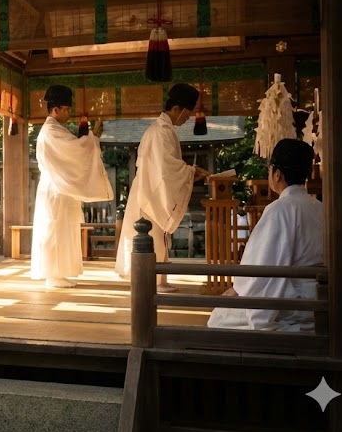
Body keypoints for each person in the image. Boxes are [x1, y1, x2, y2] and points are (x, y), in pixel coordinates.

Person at [208, 139, 323, 331]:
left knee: (219, 317)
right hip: (320, 298)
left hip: (294, 303)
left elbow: (262, 266)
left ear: (277, 174)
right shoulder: (321, 208)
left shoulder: (279, 209)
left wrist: (238, 289)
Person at [115, 83, 211, 291]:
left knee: (158, 235)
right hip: (151, 188)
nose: (188, 118)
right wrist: (191, 172)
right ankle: (152, 280)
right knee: (152, 234)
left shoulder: (163, 130)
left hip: (151, 186)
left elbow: (167, 166)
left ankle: (158, 279)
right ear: (176, 109)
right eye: (187, 113)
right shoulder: (160, 131)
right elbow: (165, 167)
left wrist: (190, 172)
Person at [29, 85, 114, 288]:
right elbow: (76, 150)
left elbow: (74, 151)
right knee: (54, 230)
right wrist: (92, 137)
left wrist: (91, 138)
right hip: (55, 187)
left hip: (59, 187)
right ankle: (53, 275)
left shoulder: (55, 130)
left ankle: (59, 273)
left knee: (62, 230)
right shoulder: (51, 132)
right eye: (66, 109)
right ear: (55, 109)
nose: (69, 113)